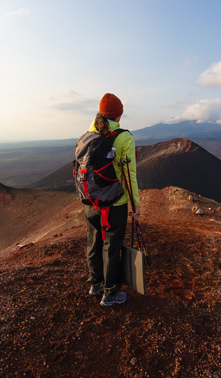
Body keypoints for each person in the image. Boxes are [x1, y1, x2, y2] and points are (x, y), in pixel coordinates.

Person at [84, 93, 140, 307]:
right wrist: (135, 205)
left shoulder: (88, 135)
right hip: (114, 203)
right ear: (119, 115)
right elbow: (129, 175)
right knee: (111, 246)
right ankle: (110, 293)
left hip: (91, 201)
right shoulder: (124, 138)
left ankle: (96, 283)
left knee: (94, 241)